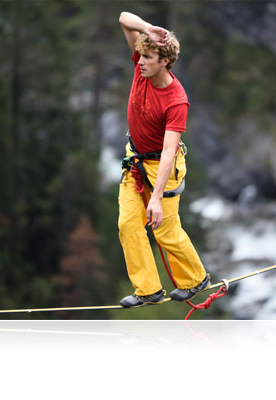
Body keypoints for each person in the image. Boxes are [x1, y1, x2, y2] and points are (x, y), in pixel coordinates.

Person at [118, 11, 210, 308]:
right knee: (128, 225)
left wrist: (156, 198)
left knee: (165, 232)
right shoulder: (140, 68)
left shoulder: (176, 99)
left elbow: (170, 151)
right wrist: (148, 29)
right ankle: (147, 289)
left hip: (163, 167)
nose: (140, 60)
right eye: (140, 54)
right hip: (135, 161)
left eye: (148, 57)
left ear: (165, 62)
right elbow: (123, 18)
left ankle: (196, 279)